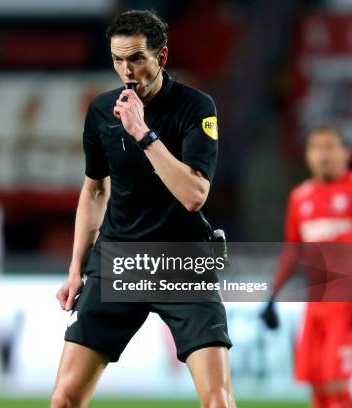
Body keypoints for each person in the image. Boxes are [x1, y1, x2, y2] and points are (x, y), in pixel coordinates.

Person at [51, 10, 235, 408]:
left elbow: (194, 195)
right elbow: (95, 190)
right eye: (118, 59)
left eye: (136, 58)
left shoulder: (196, 107)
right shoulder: (102, 111)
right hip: (118, 261)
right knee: (63, 398)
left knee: (217, 401)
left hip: (182, 264)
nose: (126, 70)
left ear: (161, 56)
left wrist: (143, 133)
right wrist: (75, 269)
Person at [261, 124, 352, 408]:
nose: (322, 155)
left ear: (345, 153)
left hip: (346, 305)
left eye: (329, 147)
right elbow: (293, 250)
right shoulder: (301, 197)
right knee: (315, 380)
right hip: (315, 303)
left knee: (337, 379)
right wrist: (272, 295)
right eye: (315, 148)